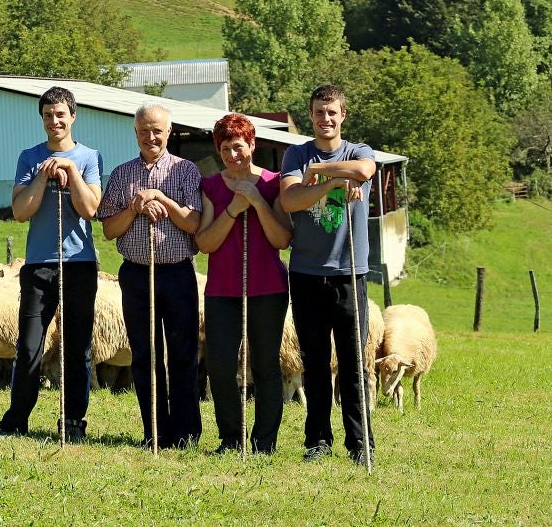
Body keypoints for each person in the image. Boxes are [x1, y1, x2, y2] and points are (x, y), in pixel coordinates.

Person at [279, 84, 378, 465]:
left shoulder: (358, 151)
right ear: (311, 115)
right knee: (315, 361)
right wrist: (334, 183)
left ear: (343, 116)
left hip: (348, 273)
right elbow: (290, 200)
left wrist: (319, 171)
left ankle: (360, 442)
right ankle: (318, 440)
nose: (326, 119)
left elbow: (364, 170)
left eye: (332, 112)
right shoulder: (295, 154)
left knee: (353, 362)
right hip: (306, 273)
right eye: (320, 112)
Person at [0, 86, 103, 440]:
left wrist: (72, 173)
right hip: (39, 265)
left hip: (79, 264)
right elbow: (20, 211)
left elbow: (91, 209)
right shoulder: (29, 158)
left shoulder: (90, 157)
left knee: (77, 348)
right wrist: (42, 176)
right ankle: (16, 419)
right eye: (48, 115)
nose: (54, 121)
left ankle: (72, 421)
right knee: (28, 346)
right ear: (41, 119)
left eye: (60, 114)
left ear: (73, 116)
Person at [96, 102, 204, 448]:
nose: (151, 136)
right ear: (136, 133)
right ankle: (154, 431)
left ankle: (186, 434)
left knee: (183, 353)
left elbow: (194, 223)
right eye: (145, 130)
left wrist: (161, 199)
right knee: (145, 354)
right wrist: (135, 207)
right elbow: (110, 230)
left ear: (169, 132)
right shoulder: (121, 174)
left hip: (177, 274)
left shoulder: (186, 171)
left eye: (157, 130)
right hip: (137, 275)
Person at [195, 113, 292, 454]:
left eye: (238, 147)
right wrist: (235, 208)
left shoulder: (274, 182)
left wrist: (257, 201)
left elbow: (281, 238)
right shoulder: (211, 187)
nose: (233, 155)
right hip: (223, 290)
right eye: (225, 149)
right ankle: (230, 439)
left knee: (265, 365)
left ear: (252, 145)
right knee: (220, 365)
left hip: (267, 289)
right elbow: (205, 243)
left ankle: (264, 442)